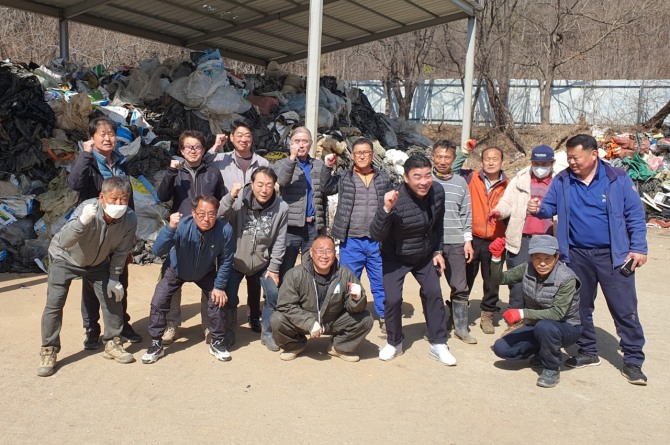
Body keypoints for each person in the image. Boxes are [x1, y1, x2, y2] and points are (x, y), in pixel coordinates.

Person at [528, 134, 649, 385]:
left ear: (594, 155)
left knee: (624, 310)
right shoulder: (563, 180)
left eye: (577, 157)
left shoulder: (617, 179)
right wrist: (538, 208)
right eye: (569, 157)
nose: (572, 162)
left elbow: (635, 215)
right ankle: (587, 351)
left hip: (614, 256)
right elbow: (548, 207)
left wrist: (638, 248)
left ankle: (633, 361)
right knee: (580, 307)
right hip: (576, 255)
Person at [38, 177, 137, 377]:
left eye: (123, 199)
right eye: (114, 199)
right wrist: (82, 222)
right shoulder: (87, 208)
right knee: (54, 303)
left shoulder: (130, 219)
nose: (119, 204)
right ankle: (49, 350)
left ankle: (112, 343)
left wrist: (114, 277)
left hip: (98, 263)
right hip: (64, 258)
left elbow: (120, 251)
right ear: (102, 198)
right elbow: (64, 240)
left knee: (113, 298)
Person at [370, 154, 456, 366]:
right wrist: (386, 209)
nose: (424, 181)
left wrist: (437, 250)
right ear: (406, 178)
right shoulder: (393, 197)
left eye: (428, 175)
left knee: (434, 293)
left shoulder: (437, 192)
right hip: (395, 257)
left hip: (424, 254)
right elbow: (375, 234)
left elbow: (438, 224)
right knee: (392, 300)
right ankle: (394, 342)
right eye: (417, 176)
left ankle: (439, 342)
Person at [67, 116, 142, 348]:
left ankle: (121, 323)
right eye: (102, 134)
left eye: (111, 133)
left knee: (119, 278)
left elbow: (127, 196)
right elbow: (75, 184)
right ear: (92, 138)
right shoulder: (88, 161)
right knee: (91, 282)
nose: (108, 138)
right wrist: (86, 155)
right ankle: (92, 329)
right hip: (94, 230)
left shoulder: (120, 162)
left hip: (119, 230)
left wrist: (132, 229)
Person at [141, 195, 235, 364]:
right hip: (176, 269)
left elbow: (226, 260)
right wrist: (170, 228)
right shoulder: (182, 226)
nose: (206, 219)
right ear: (193, 213)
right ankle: (156, 343)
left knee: (218, 299)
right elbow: (157, 251)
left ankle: (217, 341)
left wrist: (219, 286)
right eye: (201, 214)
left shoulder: (225, 230)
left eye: (211, 214)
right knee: (159, 299)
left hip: (205, 272)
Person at [156, 130, 227, 344]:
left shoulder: (213, 173)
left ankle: (208, 326)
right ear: (181, 150)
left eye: (197, 147)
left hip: (207, 234)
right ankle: (171, 324)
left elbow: (221, 200)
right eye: (188, 147)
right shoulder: (175, 172)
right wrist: (170, 172)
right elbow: (161, 196)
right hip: (181, 233)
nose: (193, 151)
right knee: (171, 278)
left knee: (208, 280)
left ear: (203, 150)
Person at [320, 137, 392, 333]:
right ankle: (348, 316)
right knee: (350, 282)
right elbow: (326, 188)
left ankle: (385, 317)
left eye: (366, 153)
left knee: (380, 281)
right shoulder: (344, 177)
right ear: (352, 156)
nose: (362, 156)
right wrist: (328, 167)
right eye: (358, 153)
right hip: (351, 240)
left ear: (372, 155)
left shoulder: (383, 178)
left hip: (377, 241)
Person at [490, 235, 581, 388]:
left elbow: (558, 313)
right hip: (536, 324)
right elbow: (500, 279)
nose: (542, 263)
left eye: (548, 258)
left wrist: (522, 313)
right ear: (531, 257)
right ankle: (541, 351)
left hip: (566, 327)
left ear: (557, 257)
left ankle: (551, 368)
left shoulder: (567, 278)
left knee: (545, 327)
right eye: (537, 258)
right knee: (502, 348)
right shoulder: (527, 268)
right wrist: (496, 259)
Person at [271, 235, 373, 362]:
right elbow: (285, 305)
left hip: (332, 321)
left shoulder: (345, 274)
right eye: (319, 251)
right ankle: (294, 345)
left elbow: (356, 309)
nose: (324, 256)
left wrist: (357, 299)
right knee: (277, 319)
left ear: (335, 253)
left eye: (329, 251)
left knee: (366, 318)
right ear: (311, 253)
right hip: (303, 321)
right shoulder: (295, 274)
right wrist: (309, 322)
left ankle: (338, 347)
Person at [219, 167, 289, 351]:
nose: (264, 190)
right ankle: (229, 332)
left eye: (269, 185)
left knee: (273, 294)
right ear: (252, 183)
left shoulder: (281, 207)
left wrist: (274, 267)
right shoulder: (239, 201)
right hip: (236, 260)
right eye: (260, 184)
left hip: (262, 263)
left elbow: (280, 240)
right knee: (230, 297)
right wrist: (230, 197)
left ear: (274, 186)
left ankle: (267, 333)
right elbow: (218, 217)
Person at [490, 144, 556, 335]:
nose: (540, 166)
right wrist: (498, 212)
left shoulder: (560, 182)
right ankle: (515, 324)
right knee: (517, 284)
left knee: (544, 285)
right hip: (521, 239)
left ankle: (538, 324)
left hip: (548, 240)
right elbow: (507, 203)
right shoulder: (520, 180)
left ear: (552, 163)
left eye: (544, 163)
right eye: (536, 162)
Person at [210, 122, 269, 333]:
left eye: (248, 135)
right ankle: (228, 318)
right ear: (232, 138)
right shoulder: (220, 160)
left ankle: (254, 315)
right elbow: (201, 162)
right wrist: (216, 146)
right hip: (227, 223)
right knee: (229, 270)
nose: (244, 139)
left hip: (254, 222)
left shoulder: (262, 162)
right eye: (240, 135)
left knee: (254, 275)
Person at [431, 140, 477, 344]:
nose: (442, 161)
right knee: (431, 287)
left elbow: (466, 213)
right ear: (432, 157)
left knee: (460, 286)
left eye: (447, 157)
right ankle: (436, 326)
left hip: (456, 241)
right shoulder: (425, 179)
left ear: (453, 159)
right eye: (439, 156)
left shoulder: (460, 183)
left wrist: (467, 240)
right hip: (430, 243)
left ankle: (461, 327)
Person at [459, 146, 509, 334]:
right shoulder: (471, 178)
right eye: (487, 158)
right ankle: (458, 313)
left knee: (492, 280)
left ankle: (488, 313)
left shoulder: (508, 185)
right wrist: (463, 153)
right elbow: (452, 168)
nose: (490, 162)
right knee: (464, 278)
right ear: (481, 161)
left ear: (501, 162)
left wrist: (504, 239)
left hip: (495, 241)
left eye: (495, 158)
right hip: (471, 238)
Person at [275, 127, 333, 279]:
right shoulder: (282, 164)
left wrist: (323, 224)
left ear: (311, 144)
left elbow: (323, 197)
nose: (301, 145)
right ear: (290, 144)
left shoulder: (319, 165)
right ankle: (284, 301)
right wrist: (292, 159)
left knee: (311, 269)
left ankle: (307, 301)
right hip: (289, 228)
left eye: (305, 141)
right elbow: (282, 181)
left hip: (313, 227)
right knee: (285, 269)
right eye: (297, 141)